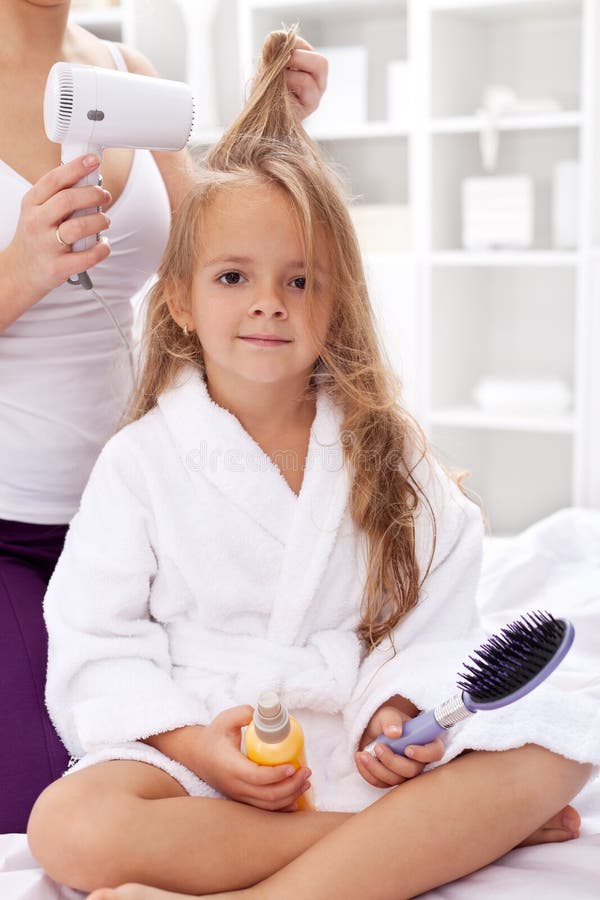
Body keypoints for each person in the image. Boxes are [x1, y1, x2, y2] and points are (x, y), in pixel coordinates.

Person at [25, 27, 593, 900]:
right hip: (211, 755)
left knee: (565, 734)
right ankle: (402, 846)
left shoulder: (383, 448)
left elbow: (437, 610)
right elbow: (98, 643)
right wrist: (191, 740)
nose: (267, 303)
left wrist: (396, 712)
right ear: (176, 301)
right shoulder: (141, 463)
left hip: (353, 740)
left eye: (300, 280)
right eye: (232, 278)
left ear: (337, 301)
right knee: (68, 826)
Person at [0, 0, 327, 834]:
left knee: (246, 763)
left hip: (138, 521)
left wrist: (273, 127)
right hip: (8, 531)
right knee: (39, 805)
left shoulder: (128, 76)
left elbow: (211, 252)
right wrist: (20, 268)